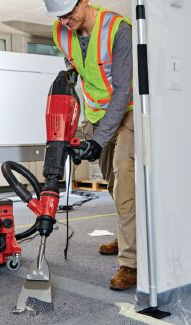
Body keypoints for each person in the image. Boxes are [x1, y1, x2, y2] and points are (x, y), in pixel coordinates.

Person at [44, 0, 136, 290]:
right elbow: (76, 63)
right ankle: (127, 237)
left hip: (129, 111)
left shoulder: (117, 29)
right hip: (96, 115)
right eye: (59, 17)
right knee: (111, 181)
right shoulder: (60, 32)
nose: (65, 21)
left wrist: (98, 140)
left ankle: (131, 263)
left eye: (69, 14)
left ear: (84, 2)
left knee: (125, 176)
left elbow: (123, 88)